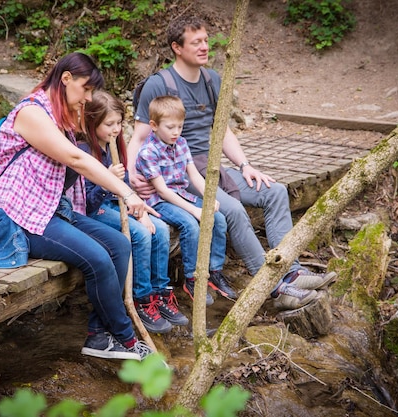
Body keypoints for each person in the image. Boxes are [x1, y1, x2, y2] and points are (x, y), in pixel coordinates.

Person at [127, 16, 336, 311]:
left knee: (274, 191)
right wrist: (133, 178)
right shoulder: (159, 85)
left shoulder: (213, 80)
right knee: (234, 210)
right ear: (177, 47)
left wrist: (245, 165)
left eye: (206, 40)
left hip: (214, 169)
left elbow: (222, 130)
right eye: (196, 42)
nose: (204, 46)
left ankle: (291, 270)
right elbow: (138, 137)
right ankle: (273, 285)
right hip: (181, 174)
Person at [0, 52, 154, 360]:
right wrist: (129, 194)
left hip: (53, 208)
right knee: (98, 259)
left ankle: (98, 335)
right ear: (66, 79)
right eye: (85, 89)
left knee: (118, 245)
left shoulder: (59, 114)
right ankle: (127, 338)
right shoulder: (31, 113)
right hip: (21, 215)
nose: (88, 97)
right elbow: (77, 159)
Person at [78, 90, 188, 334]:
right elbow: (87, 203)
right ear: (92, 121)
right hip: (95, 212)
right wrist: (106, 179)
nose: (116, 129)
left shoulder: (114, 144)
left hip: (117, 205)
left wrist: (140, 209)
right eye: (109, 124)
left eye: (119, 123)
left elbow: (125, 186)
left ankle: (159, 291)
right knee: (139, 234)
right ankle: (141, 297)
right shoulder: (84, 151)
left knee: (158, 228)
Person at [135, 95, 238, 307]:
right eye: (170, 127)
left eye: (180, 127)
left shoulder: (181, 143)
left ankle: (214, 271)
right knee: (191, 225)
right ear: (153, 126)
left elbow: (194, 176)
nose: (176, 132)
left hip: (181, 195)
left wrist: (209, 200)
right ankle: (192, 278)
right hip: (159, 201)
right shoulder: (148, 152)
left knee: (217, 217)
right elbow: (162, 191)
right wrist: (194, 210)